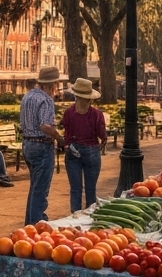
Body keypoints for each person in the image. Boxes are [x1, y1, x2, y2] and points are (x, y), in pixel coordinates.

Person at [20, 66, 66, 224]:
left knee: (34, 187)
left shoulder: (28, 96)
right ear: (52, 84)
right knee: (41, 189)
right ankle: (37, 222)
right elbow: (45, 126)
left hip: (27, 144)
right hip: (41, 145)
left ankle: (30, 222)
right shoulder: (46, 100)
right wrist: (58, 137)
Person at [60, 78, 108, 213]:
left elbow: (67, 132)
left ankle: (75, 215)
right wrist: (104, 141)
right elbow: (102, 134)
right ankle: (89, 215)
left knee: (75, 189)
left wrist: (68, 145)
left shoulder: (69, 112)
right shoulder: (96, 114)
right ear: (90, 98)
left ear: (76, 95)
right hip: (92, 150)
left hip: (73, 150)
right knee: (90, 188)